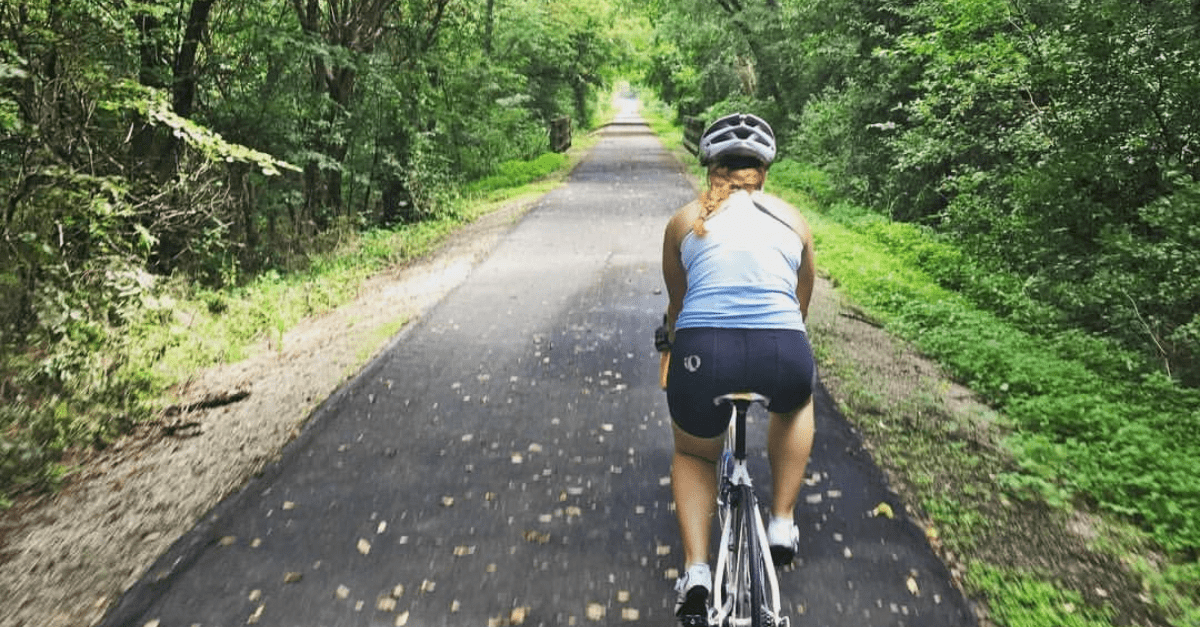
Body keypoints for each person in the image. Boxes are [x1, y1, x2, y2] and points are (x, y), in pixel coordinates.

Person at [658, 113, 817, 625]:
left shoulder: (684, 221)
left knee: (694, 451)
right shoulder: (794, 221)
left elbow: (678, 310)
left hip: (704, 352)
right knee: (795, 404)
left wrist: (669, 347)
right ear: (764, 172)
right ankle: (782, 522)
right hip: (781, 348)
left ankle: (698, 571)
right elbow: (800, 309)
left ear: (710, 168)